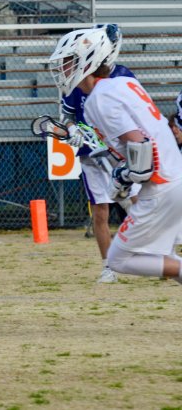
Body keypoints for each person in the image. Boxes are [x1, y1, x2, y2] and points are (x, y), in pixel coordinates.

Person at [49, 27, 182, 284]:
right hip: (173, 176)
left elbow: (141, 147)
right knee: (160, 255)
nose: (63, 69)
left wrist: (122, 178)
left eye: (68, 62)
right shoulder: (123, 83)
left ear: (87, 60)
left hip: (161, 187)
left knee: (120, 259)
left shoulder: (100, 97)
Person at [53, 24, 136, 284]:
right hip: (91, 155)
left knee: (137, 207)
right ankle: (108, 266)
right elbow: (67, 115)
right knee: (100, 211)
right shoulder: (80, 77)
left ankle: (154, 255)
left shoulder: (122, 76)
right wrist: (72, 129)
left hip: (121, 152)